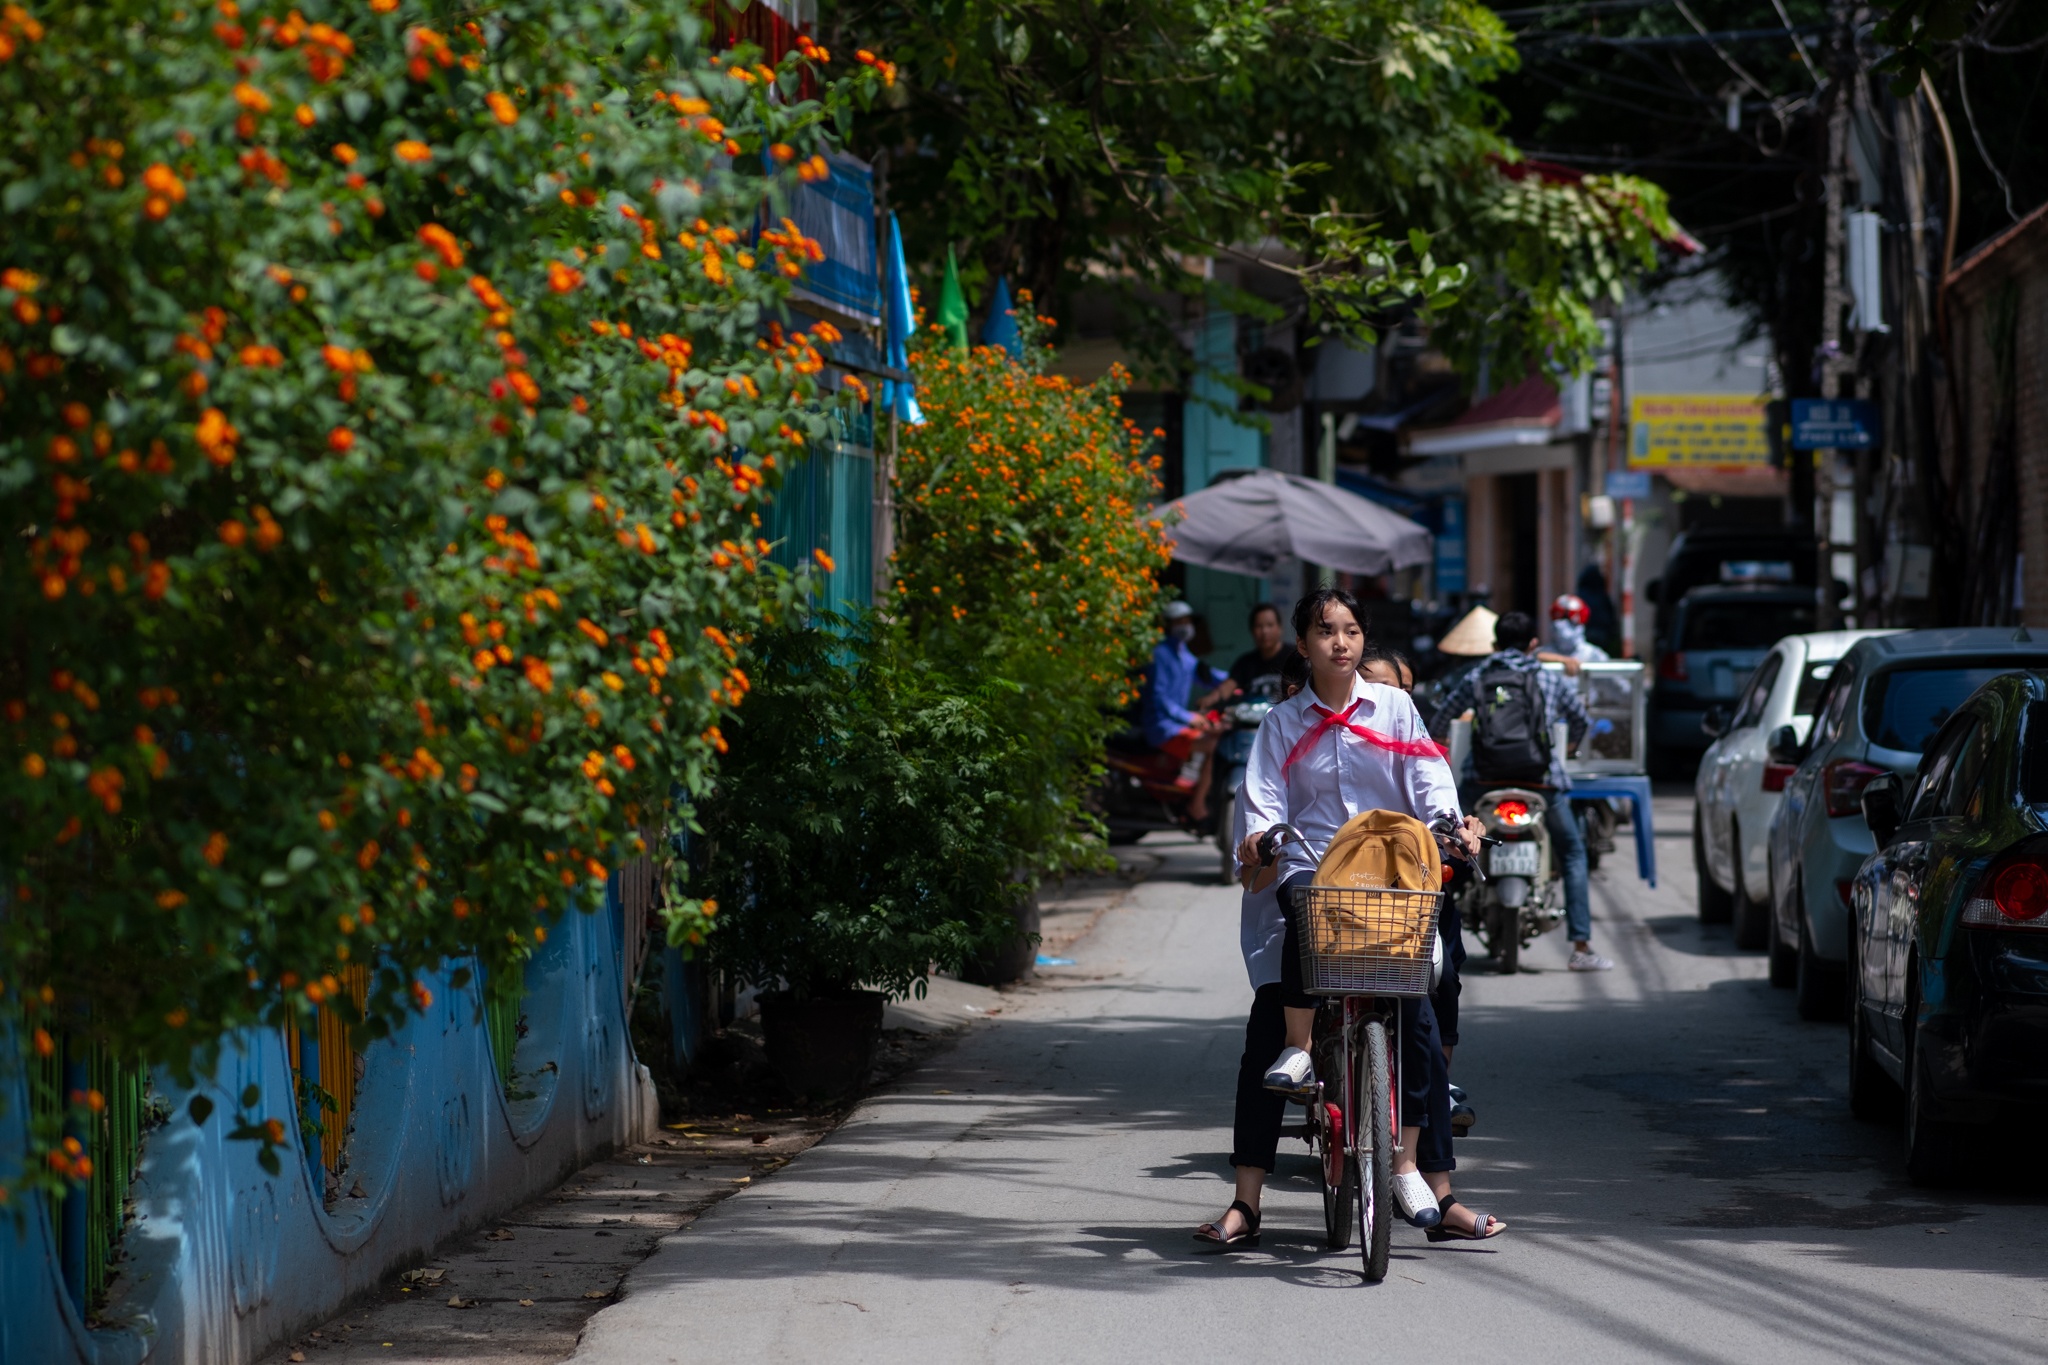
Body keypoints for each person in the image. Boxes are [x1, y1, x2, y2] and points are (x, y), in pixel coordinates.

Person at [1197, 588, 1503, 1250]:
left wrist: (1450, 824)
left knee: (1419, 1022)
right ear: (1301, 644)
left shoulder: (1396, 707)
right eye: (1326, 630)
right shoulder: (1281, 722)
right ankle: (1248, 1198)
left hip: (1390, 877)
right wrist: (1261, 837)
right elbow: (1263, 799)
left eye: (1353, 629)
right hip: (1310, 871)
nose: (1341, 641)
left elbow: (1430, 779)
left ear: (1363, 641)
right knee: (1265, 1034)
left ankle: (1431, 1185)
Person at [1426, 611, 1612, 973]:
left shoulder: (1477, 674)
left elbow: (1439, 720)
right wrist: (1570, 747)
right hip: (1540, 780)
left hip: (1483, 779)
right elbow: (1580, 722)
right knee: (1573, 853)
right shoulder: (1548, 677)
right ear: (1533, 645)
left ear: (1494, 644)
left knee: (1448, 843)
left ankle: (1434, 935)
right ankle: (1581, 946)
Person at [1138, 600, 1236, 824]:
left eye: (1187, 620)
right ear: (1169, 625)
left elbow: (1208, 676)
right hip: (1162, 727)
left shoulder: (1184, 655)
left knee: (1214, 734)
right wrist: (1188, 717)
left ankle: (1190, 786)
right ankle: (1198, 803)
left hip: (1177, 724)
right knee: (1213, 745)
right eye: (1179, 621)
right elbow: (1158, 697)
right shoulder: (1159, 655)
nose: (1185, 625)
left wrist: (1236, 681)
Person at [1227, 602, 1291, 705]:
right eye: (1259, 626)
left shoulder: (1295, 658)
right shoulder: (1244, 663)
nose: (1264, 631)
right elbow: (1227, 687)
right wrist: (1210, 700)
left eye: (1270, 625)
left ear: (1280, 628)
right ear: (1252, 630)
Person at [1546, 594, 1609, 664]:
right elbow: (1534, 658)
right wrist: (1563, 660)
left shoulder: (1594, 655)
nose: (1563, 624)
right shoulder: (1543, 653)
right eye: (1560, 619)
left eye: (1570, 621)